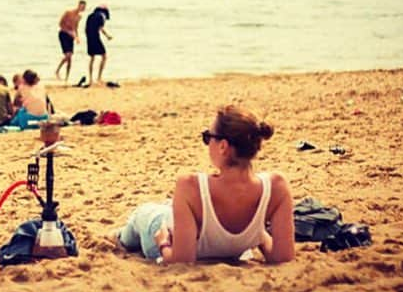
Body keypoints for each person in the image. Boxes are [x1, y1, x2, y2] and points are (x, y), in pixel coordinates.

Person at [117, 106, 294, 265]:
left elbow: (182, 261)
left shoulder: (190, 185)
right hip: (228, 249)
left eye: (208, 137)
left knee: (146, 212)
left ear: (223, 146)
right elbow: (282, 257)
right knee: (168, 206)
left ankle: (119, 237)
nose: (207, 143)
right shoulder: (276, 186)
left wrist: (163, 242)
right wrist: (258, 234)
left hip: (170, 242)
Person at [54, 0, 86, 82]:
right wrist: (68, 32)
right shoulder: (68, 13)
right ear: (78, 5)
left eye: (84, 7)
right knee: (68, 55)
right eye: (81, 6)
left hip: (71, 36)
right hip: (63, 34)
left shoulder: (79, 17)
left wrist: (77, 37)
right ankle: (57, 71)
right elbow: (60, 24)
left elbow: (75, 27)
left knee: (70, 57)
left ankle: (66, 78)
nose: (82, 8)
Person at [85, 5, 112, 85]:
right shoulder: (101, 16)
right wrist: (107, 36)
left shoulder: (90, 16)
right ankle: (99, 77)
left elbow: (86, 28)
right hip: (96, 38)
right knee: (104, 56)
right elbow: (100, 28)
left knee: (92, 58)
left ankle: (90, 79)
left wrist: (88, 37)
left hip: (89, 38)